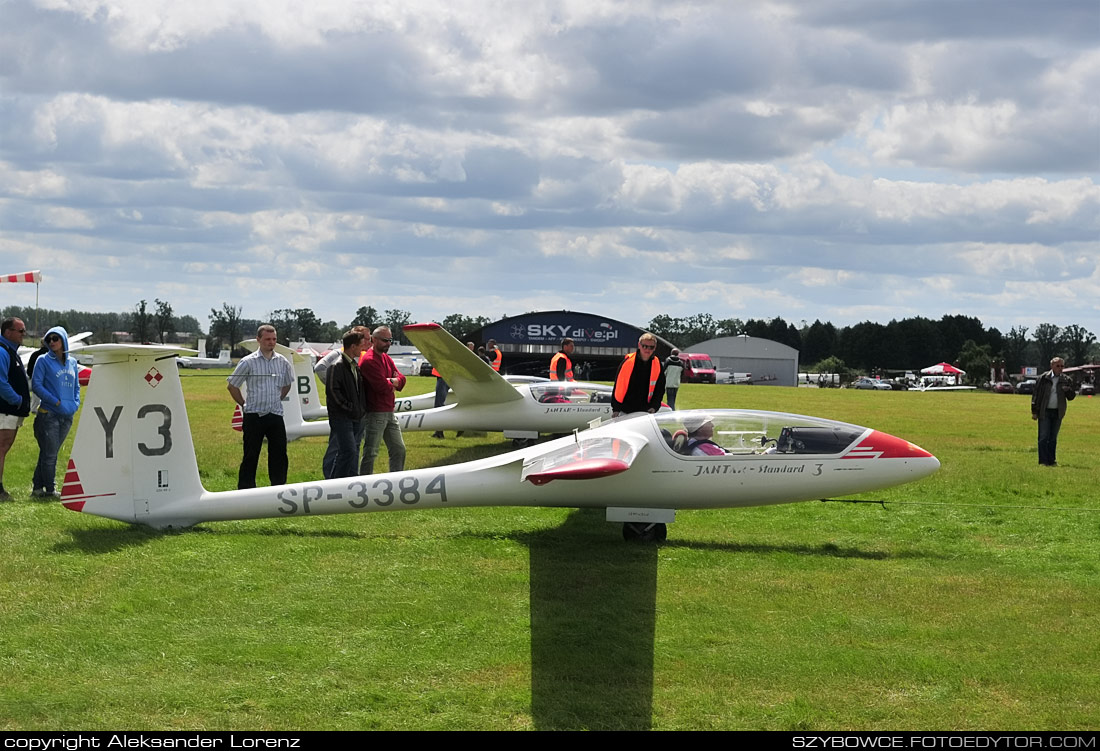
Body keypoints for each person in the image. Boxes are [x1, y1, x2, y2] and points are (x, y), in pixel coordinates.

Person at [227, 325, 295, 489]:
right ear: (258, 340)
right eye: (267, 339)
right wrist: (244, 404)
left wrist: (278, 398)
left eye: (274, 339)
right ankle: (246, 490)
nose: (271, 343)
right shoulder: (248, 362)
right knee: (251, 455)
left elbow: (287, 384)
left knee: (279, 454)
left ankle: (279, 488)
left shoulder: (282, 362)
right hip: (254, 416)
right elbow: (232, 385)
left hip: (275, 415)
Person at [30, 327, 81, 497]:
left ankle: (37, 488)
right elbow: (36, 385)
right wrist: (55, 401)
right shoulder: (43, 360)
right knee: (50, 455)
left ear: (64, 340)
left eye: (55, 338)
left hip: (67, 415)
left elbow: (77, 386)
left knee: (48, 453)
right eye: (49, 339)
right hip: (49, 414)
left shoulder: (72, 362)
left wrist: (75, 403)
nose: (52, 342)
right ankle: (50, 490)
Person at [318, 325, 369, 477]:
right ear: (353, 346)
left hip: (355, 416)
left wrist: (360, 409)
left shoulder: (355, 366)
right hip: (342, 418)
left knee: (350, 453)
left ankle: (349, 482)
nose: (362, 349)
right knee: (348, 451)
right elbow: (333, 393)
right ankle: (334, 484)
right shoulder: (336, 366)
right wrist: (352, 408)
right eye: (360, 346)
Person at [359, 326, 407, 474]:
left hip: (389, 411)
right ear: (374, 340)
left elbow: (402, 379)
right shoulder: (369, 360)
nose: (388, 343)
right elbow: (381, 387)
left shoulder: (386, 358)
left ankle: (396, 479)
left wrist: (391, 381)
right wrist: (394, 382)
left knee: (399, 449)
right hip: (375, 413)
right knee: (371, 452)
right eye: (385, 340)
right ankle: (363, 482)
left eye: (390, 340)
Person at [0, 318, 30, 501]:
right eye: (21, 331)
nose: (23, 334)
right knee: (1, 447)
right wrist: (17, 400)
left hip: (11, 410)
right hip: (6, 409)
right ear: (8, 332)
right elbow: (1, 383)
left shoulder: (10, 351)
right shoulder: (3, 351)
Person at [1031, 356, 1076, 467]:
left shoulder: (1066, 380)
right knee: (1043, 437)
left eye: (1062, 366)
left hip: (1058, 412)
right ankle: (1043, 461)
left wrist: (1068, 390)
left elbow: (1071, 397)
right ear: (1052, 366)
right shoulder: (1043, 378)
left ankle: (1051, 461)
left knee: (1053, 438)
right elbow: (1036, 395)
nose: (1060, 368)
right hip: (1044, 411)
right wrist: (1034, 411)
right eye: (1058, 366)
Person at [611, 332, 666, 417]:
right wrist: (616, 409)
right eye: (644, 346)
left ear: (655, 348)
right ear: (639, 345)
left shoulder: (657, 364)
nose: (647, 349)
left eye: (651, 347)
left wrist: (654, 406)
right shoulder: (628, 362)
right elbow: (618, 386)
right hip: (625, 410)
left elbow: (660, 388)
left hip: (646, 411)